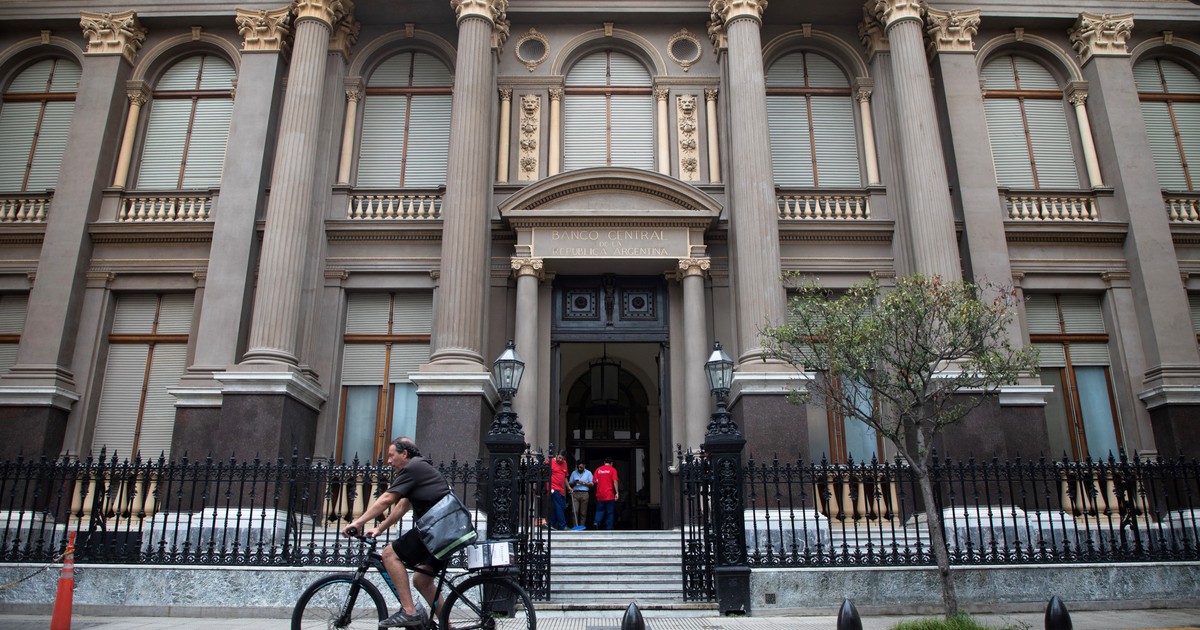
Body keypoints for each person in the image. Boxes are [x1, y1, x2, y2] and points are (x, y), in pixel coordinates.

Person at [343, 437, 451, 628]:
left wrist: (358, 522)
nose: (389, 461)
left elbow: (387, 499)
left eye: (392, 455)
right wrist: (380, 528)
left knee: (389, 554)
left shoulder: (413, 468)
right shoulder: (420, 470)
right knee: (422, 581)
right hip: (445, 531)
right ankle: (448, 627)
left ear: (404, 454)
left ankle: (409, 611)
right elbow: (402, 506)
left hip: (436, 529)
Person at [593, 457, 619, 530]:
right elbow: (615, 481)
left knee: (599, 510)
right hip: (609, 494)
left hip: (600, 494)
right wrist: (617, 492)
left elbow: (594, 481)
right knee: (610, 511)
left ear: (604, 462)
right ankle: (609, 527)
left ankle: (596, 522)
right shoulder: (613, 470)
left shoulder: (598, 469)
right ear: (611, 463)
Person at [546, 450, 569, 530]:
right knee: (559, 507)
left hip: (561, 489)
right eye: (559, 458)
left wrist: (568, 487)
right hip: (553, 488)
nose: (560, 460)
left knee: (561, 507)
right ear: (556, 455)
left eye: (562, 459)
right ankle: (563, 525)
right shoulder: (549, 462)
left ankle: (551, 524)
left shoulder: (564, 463)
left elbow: (565, 477)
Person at [568, 461, 594, 529]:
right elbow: (569, 483)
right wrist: (574, 482)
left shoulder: (588, 473)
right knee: (574, 511)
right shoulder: (574, 473)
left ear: (584, 466)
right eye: (578, 467)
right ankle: (575, 526)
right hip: (575, 493)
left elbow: (592, 484)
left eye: (581, 467)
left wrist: (583, 483)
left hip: (584, 493)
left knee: (583, 512)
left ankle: (582, 527)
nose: (579, 468)